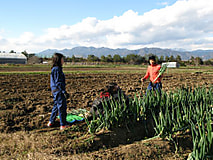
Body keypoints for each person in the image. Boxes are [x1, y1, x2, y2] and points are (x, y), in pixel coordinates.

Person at [47, 53, 70, 130]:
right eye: (62, 59)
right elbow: (58, 82)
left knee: (56, 106)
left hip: (55, 90)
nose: (63, 60)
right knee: (62, 107)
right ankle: (63, 125)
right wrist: (63, 92)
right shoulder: (57, 69)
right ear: (58, 60)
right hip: (58, 91)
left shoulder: (55, 69)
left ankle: (51, 121)